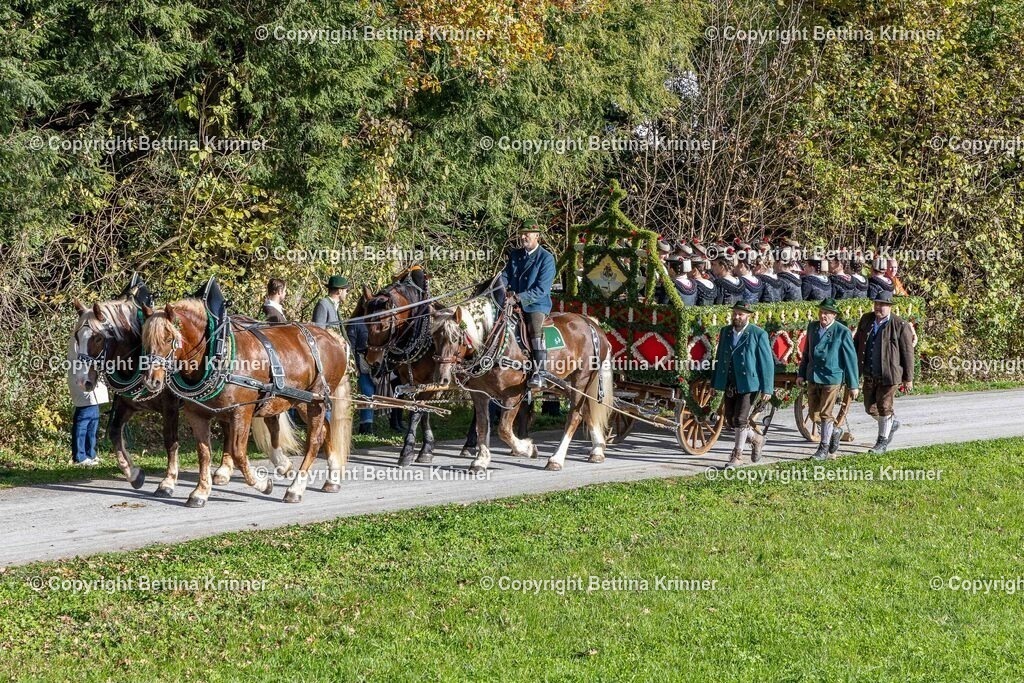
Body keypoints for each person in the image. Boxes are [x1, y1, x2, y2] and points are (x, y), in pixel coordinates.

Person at [712, 301, 775, 467]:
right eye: (735, 313)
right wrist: (716, 382)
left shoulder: (757, 334)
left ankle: (737, 456)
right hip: (730, 381)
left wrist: (767, 387)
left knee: (740, 419)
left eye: (740, 314)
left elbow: (767, 362)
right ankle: (757, 438)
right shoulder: (726, 332)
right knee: (731, 420)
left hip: (749, 383)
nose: (736, 317)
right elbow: (720, 358)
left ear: (748, 315)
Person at [797, 298, 860, 460]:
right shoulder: (812, 327)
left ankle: (823, 449)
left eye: (827, 313)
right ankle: (835, 431)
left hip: (832, 377)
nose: (823, 315)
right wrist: (801, 374)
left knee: (825, 413)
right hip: (813, 375)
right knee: (813, 413)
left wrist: (853, 384)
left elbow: (850, 359)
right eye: (821, 312)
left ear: (834, 315)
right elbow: (806, 353)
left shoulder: (842, 331)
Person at [853, 290, 914, 454]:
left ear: (890, 307)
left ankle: (881, 443)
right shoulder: (866, 320)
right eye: (877, 304)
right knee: (869, 408)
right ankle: (890, 423)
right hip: (869, 372)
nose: (879, 307)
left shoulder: (900, 325)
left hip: (890, 374)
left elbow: (908, 353)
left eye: (883, 305)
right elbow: (857, 343)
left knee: (884, 406)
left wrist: (908, 378)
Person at [503, 219, 556, 389]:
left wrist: (518, 298)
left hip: (536, 304)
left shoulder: (546, 258)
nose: (524, 237)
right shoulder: (515, 255)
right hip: (512, 301)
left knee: (535, 328)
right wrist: (496, 287)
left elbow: (541, 289)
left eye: (527, 234)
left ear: (537, 236)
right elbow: (505, 276)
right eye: (522, 234)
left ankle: (540, 373)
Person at [67, 338, 109, 466]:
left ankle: (90, 454)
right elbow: (83, 358)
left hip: (93, 379)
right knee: (84, 418)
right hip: (83, 378)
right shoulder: (79, 338)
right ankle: (79, 457)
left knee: (93, 420)